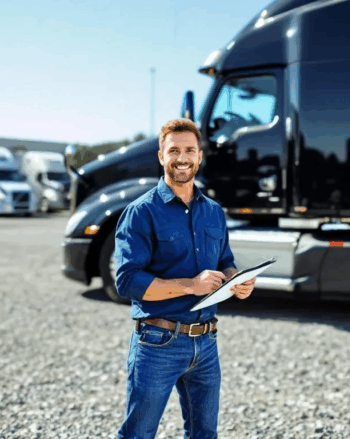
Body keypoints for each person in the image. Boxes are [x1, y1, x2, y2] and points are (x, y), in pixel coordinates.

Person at [113, 118, 256, 438]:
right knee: (138, 434)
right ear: (162, 156)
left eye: (189, 150)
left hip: (206, 343)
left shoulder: (214, 211)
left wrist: (238, 280)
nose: (182, 158)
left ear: (200, 156)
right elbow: (128, 282)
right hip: (157, 343)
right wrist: (192, 285)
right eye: (174, 150)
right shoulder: (141, 212)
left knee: (205, 434)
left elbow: (225, 261)